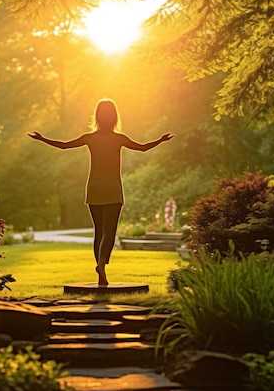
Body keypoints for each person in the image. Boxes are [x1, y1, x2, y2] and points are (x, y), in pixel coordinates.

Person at [28, 98, 174, 286]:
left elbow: (64, 145)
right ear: (114, 117)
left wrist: (42, 138)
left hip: (94, 189)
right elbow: (143, 148)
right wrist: (161, 140)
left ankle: (100, 274)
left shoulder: (90, 138)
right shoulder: (119, 138)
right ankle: (102, 264)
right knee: (109, 232)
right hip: (112, 189)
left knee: (98, 232)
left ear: (97, 116)